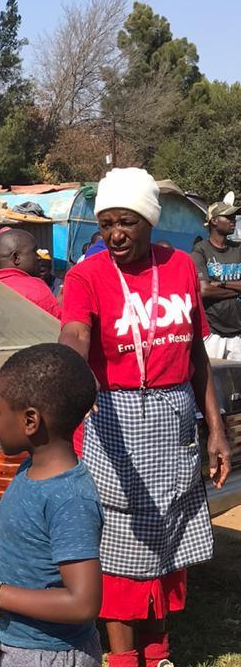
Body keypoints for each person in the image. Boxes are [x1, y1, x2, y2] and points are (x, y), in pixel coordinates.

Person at [59, 167, 232, 667]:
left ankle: (158, 654)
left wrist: (215, 429)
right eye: (107, 223)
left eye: (127, 222)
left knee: (170, 541)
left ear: (150, 221)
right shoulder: (86, 275)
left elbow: (196, 354)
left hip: (174, 420)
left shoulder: (179, 267)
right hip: (113, 419)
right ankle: (122, 659)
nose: (115, 234)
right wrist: (72, 373)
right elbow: (75, 333)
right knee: (120, 549)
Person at [0, 343, 102, 667]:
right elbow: (35, 543)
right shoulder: (28, 470)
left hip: (49, 655)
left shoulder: (70, 499)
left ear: (30, 421)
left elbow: (83, 602)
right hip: (13, 641)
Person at [191, 201, 241, 360]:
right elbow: (204, 290)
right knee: (213, 373)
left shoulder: (238, 249)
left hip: (238, 332)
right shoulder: (201, 250)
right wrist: (237, 290)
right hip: (212, 332)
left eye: (234, 217)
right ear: (214, 221)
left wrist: (221, 284)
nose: (233, 220)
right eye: (228, 217)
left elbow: (210, 288)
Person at [0, 230, 62, 319]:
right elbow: (57, 324)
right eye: (34, 251)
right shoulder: (36, 289)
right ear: (16, 258)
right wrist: (60, 306)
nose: (38, 257)